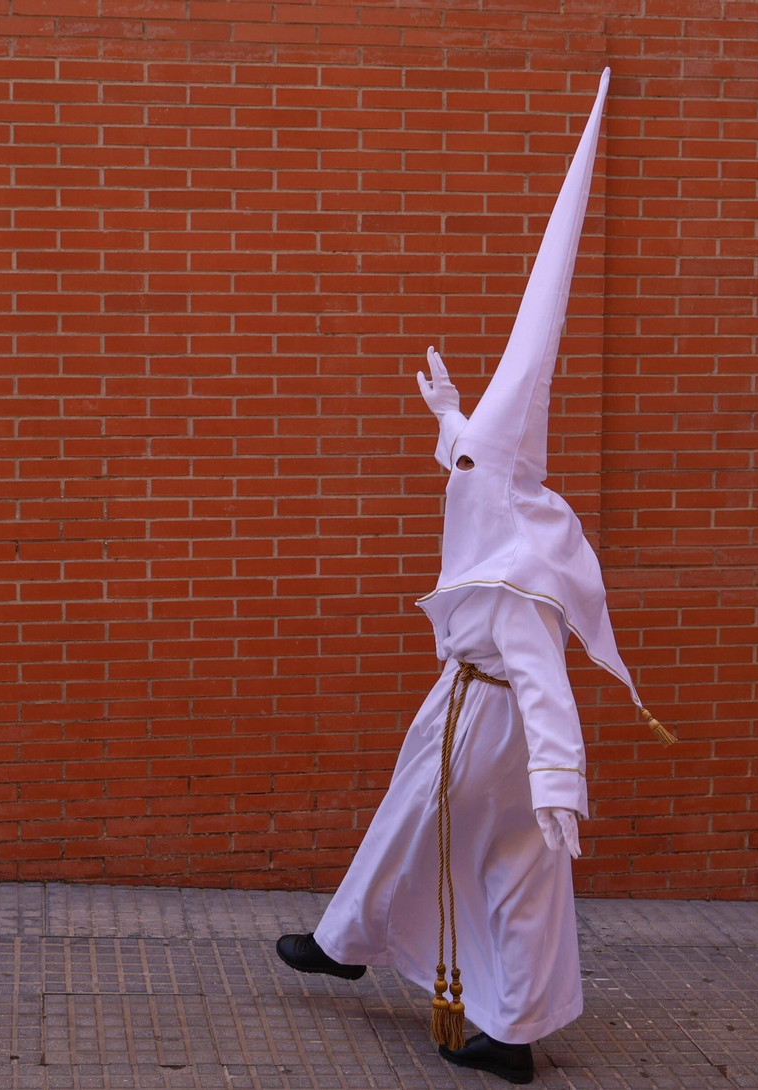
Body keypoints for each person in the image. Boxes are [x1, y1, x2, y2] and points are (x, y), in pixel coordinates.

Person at [276, 68, 673, 1086]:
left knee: (423, 819)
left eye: (463, 466)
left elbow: (542, 679)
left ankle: (349, 942)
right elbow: (478, 462)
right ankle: (507, 1031)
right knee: (515, 873)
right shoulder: (517, 512)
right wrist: (449, 417)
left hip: (476, 716)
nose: (454, 482)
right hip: (482, 714)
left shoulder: (513, 570)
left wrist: (561, 782)